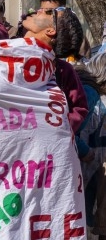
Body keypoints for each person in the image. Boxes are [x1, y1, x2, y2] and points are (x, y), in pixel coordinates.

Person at [77, 52, 106, 238]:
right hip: (83, 159)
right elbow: (70, 129)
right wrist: (84, 150)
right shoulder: (90, 92)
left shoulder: (88, 89)